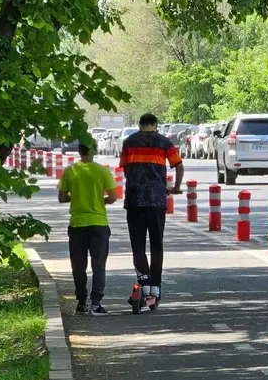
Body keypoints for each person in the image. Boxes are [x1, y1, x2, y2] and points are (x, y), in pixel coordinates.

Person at [120, 113, 184, 298]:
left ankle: (144, 281)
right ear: (155, 125)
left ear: (140, 125)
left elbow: (124, 167)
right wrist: (176, 187)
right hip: (156, 200)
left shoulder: (129, 142)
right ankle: (155, 286)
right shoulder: (164, 142)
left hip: (134, 200)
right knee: (157, 244)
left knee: (137, 244)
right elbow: (178, 166)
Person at [58, 142, 118, 316]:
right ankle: (96, 303)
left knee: (78, 265)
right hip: (98, 223)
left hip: (77, 224)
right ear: (94, 150)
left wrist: (77, 198)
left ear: (79, 151)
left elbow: (62, 197)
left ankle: (82, 302)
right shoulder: (102, 171)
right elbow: (113, 197)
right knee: (98, 264)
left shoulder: (70, 171)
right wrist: (100, 200)